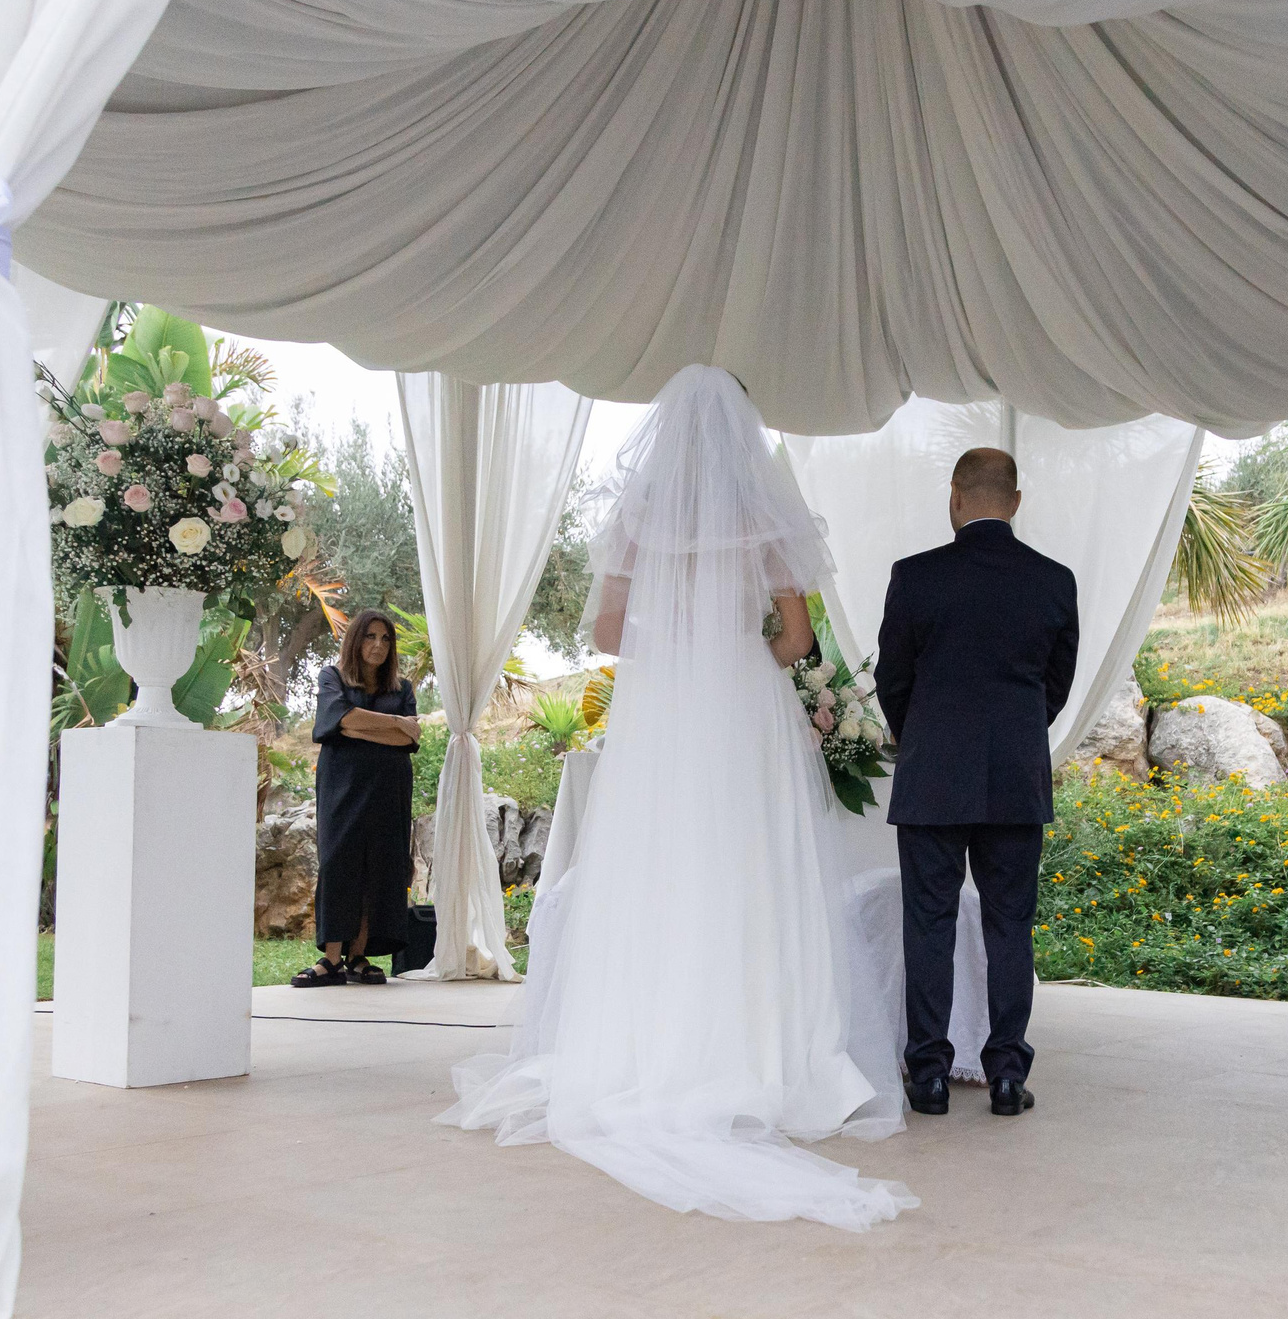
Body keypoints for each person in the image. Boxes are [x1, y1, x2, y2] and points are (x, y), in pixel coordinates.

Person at [438, 365, 915, 1230]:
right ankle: (764, 1054)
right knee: (750, 870)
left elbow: (611, 631)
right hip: (741, 705)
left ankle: (648, 1047)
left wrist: (678, 637)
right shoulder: (757, 515)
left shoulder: (639, 515)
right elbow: (799, 636)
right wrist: (740, 644)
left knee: (657, 871)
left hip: (665, 711)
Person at [876, 447, 1080, 1118]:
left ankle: (929, 1075)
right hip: (1014, 778)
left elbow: (892, 681)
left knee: (929, 922)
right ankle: (1005, 1077)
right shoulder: (1055, 581)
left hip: (932, 774)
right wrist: (1017, 734)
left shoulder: (915, 577)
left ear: (956, 499)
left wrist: (925, 735)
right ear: (1015, 501)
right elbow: (1055, 686)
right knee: (1009, 925)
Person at [298, 610, 421, 986]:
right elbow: (341, 719)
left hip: (389, 790)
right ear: (355, 640)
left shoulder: (402, 688)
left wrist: (360, 726)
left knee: (380, 868)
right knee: (339, 862)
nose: (378, 646)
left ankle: (358, 956)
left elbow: (409, 739)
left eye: (385, 639)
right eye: (370, 637)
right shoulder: (332, 677)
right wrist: (394, 723)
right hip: (342, 786)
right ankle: (330, 959)